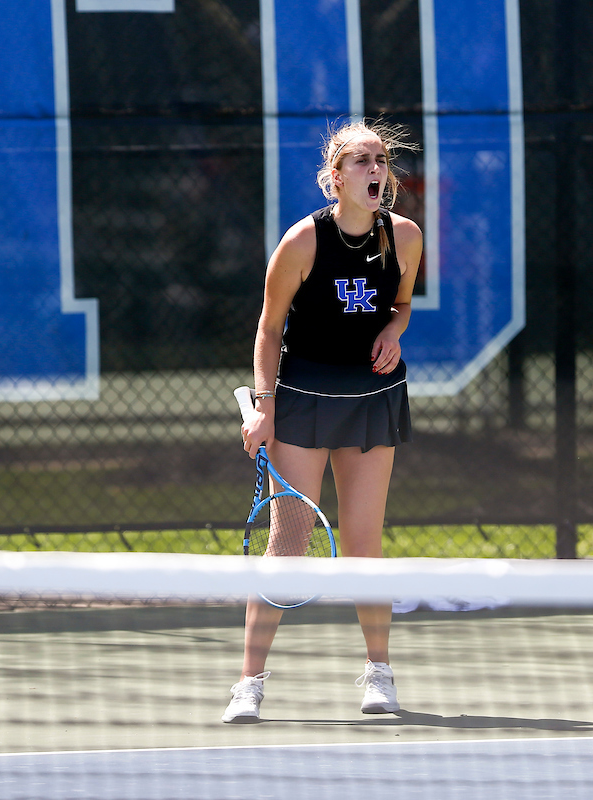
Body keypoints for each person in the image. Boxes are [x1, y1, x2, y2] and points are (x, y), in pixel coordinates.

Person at [222, 120, 422, 723]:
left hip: (371, 399)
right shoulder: (303, 243)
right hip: (303, 401)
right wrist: (263, 406)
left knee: (364, 543)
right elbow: (268, 327)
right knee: (289, 543)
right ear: (335, 178)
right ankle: (249, 684)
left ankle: (380, 675)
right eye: (362, 161)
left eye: (381, 160)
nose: (376, 170)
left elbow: (403, 303)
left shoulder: (405, 238)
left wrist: (392, 328)